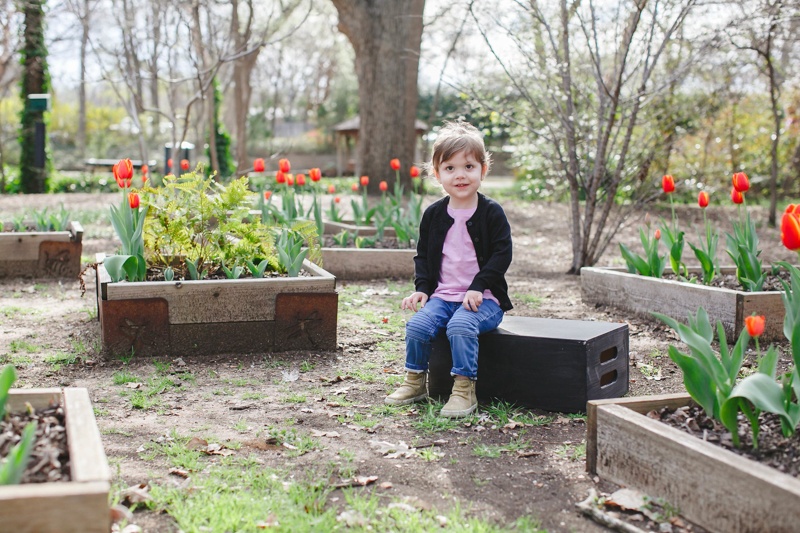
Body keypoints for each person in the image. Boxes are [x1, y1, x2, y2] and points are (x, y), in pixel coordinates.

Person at [384, 121, 513, 417]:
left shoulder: (491, 213)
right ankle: (415, 381)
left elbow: (502, 255)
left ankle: (464, 390)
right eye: (450, 168)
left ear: (483, 169)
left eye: (468, 166)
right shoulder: (433, 215)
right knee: (417, 326)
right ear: (437, 173)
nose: (460, 175)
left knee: (460, 325)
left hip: (485, 300)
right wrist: (422, 289)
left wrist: (478, 287)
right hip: (444, 296)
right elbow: (424, 257)